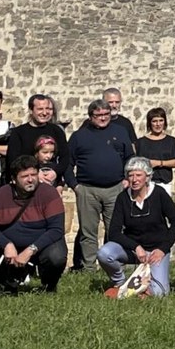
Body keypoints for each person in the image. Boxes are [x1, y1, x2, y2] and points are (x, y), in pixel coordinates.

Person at [0, 155, 67, 293]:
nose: (30, 179)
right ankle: (7, 283)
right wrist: (6, 245)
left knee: (56, 256)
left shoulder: (49, 193)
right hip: (10, 247)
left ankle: (48, 286)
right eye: (25, 176)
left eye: (33, 174)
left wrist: (31, 250)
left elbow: (56, 229)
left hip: (40, 245)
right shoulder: (1, 195)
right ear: (14, 179)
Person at [98, 156, 175, 298]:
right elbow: (113, 232)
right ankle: (120, 283)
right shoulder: (123, 198)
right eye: (130, 175)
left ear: (147, 177)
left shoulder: (159, 193)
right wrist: (136, 247)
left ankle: (143, 289)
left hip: (156, 250)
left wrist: (162, 249)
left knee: (160, 293)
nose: (134, 179)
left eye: (138, 175)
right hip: (133, 250)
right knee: (104, 253)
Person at [70, 97, 137, 271]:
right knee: (88, 232)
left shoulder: (120, 131)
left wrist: (127, 179)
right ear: (90, 116)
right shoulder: (79, 136)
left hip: (115, 188)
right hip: (87, 189)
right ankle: (89, 268)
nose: (103, 117)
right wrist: (75, 186)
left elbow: (130, 157)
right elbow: (68, 163)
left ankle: (114, 265)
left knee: (115, 230)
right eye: (98, 114)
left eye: (106, 114)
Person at [4, 94, 69, 184]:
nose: (45, 112)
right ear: (31, 110)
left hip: (50, 182)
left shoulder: (56, 131)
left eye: (48, 109)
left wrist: (55, 172)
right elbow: (13, 161)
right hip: (26, 184)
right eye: (40, 109)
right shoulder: (19, 133)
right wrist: (36, 173)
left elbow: (65, 157)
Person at [136, 107, 175, 188]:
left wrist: (159, 163)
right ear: (150, 123)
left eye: (161, 120)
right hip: (146, 184)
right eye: (154, 121)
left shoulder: (171, 141)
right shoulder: (141, 142)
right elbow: (137, 163)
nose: (158, 124)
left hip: (165, 184)